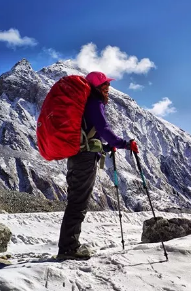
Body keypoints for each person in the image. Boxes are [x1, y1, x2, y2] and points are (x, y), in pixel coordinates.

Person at [56, 71, 139, 260]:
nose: (108, 89)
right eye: (105, 86)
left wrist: (106, 147)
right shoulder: (95, 103)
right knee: (78, 203)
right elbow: (103, 129)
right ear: (97, 87)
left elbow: (90, 133)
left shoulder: (85, 104)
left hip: (79, 156)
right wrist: (124, 143)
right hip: (84, 159)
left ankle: (69, 245)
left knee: (76, 202)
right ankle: (68, 248)